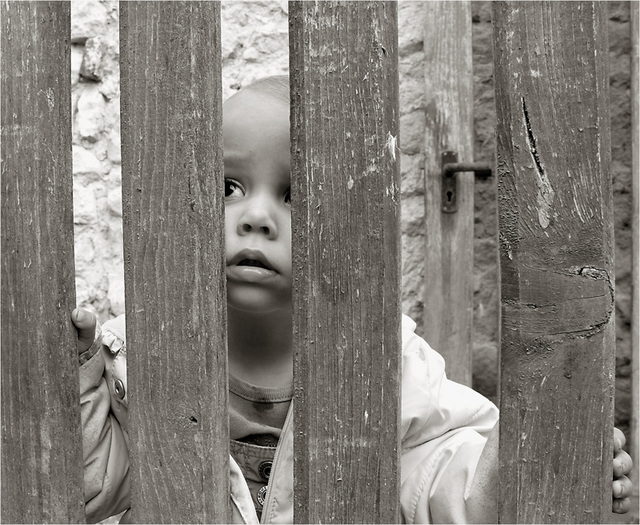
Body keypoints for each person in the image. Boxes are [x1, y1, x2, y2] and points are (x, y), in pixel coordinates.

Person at [73, 75, 634, 523]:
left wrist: (523, 462)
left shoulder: (384, 363)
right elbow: (90, 487)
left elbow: (438, 472)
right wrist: (74, 380)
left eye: (294, 195)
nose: (257, 218)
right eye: (228, 188)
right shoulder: (135, 362)